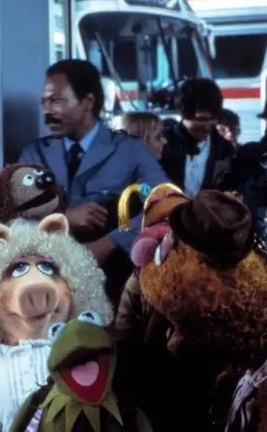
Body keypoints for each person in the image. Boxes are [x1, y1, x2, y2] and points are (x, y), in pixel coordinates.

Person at [18, 59, 169, 303]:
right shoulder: (34, 154)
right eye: (44, 102)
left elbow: (166, 204)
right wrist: (65, 216)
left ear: (87, 102)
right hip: (49, 283)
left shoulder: (130, 151)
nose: (47, 110)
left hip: (117, 282)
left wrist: (109, 242)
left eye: (56, 100)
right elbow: (14, 213)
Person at [159, 78, 235, 198]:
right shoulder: (162, 145)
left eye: (213, 119)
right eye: (201, 120)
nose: (207, 127)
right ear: (183, 116)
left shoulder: (225, 150)